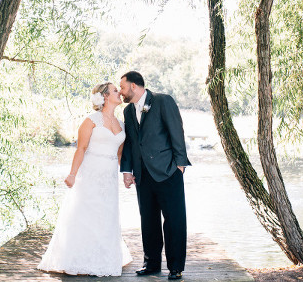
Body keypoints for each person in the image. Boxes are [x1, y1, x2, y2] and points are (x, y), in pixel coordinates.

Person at [37, 82, 132, 276]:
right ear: (105, 96)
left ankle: (103, 258)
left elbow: (120, 154)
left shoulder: (122, 124)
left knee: (107, 215)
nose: (120, 93)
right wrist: (72, 174)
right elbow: (80, 149)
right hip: (90, 173)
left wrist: (127, 174)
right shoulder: (91, 120)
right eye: (115, 90)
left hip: (109, 177)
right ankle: (78, 259)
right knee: (86, 213)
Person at [119, 71, 190, 281]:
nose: (121, 91)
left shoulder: (162, 101)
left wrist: (180, 164)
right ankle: (151, 264)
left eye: (122, 87)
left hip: (168, 171)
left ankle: (175, 267)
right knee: (148, 221)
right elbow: (131, 143)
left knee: (174, 221)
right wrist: (127, 171)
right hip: (143, 176)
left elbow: (177, 131)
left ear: (133, 86)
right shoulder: (128, 111)